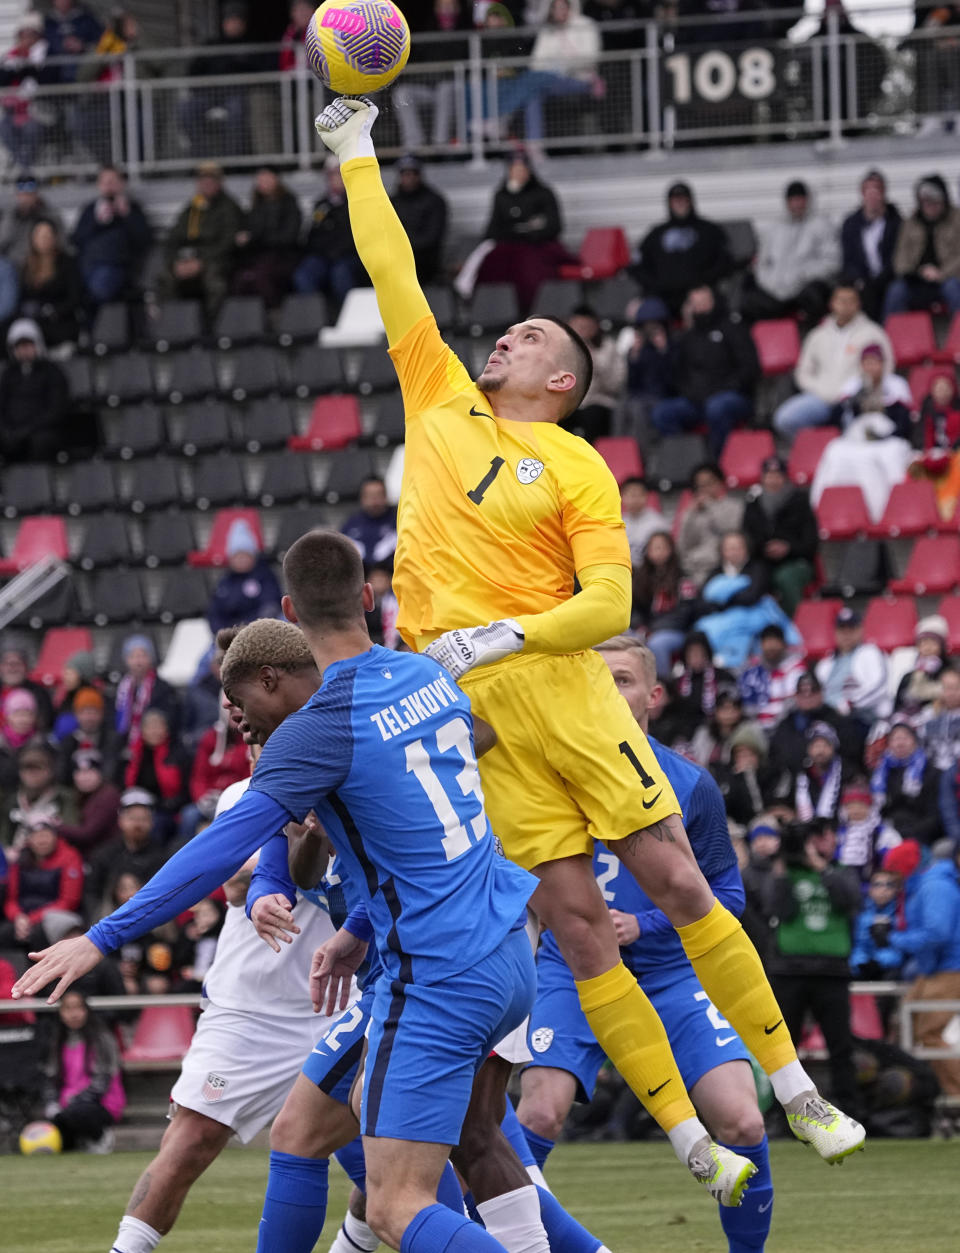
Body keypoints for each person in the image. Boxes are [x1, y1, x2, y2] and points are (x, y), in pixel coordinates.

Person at [320, 94, 864, 1179]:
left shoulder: (574, 464)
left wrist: (499, 638)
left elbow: (611, 607)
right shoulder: (436, 397)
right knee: (574, 924)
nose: (503, 336)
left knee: (674, 881)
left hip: (552, 682)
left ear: (559, 382)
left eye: (526, 339)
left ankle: (798, 1089)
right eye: (506, 331)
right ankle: (688, 1136)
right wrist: (356, 152)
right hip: (471, 712)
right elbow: (393, 270)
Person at [14, 532, 541, 1253]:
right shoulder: (425, 677)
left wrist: (100, 935)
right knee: (357, 1133)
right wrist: (357, 926)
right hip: (507, 942)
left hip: (438, 969)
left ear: (289, 616)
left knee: (396, 1204)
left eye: (241, 705)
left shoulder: (318, 727)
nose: (246, 726)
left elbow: (220, 847)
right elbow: (468, 747)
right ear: (366, 597)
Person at [517, 637, 775, 1252]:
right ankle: (503, 1240)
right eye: (597, 677)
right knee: (539, 1115)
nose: (610, 688)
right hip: (573, 973)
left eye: (625, 679)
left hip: (671, 976)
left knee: (742, 1118)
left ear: (653, 696)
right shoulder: (544, 776)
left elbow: (729, 897)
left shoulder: (689, 784)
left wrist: (648, 925)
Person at [761, 819, 862, 1120]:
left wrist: (821, 867)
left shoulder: (841, 872)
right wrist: (781, 870)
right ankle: (781, 1115)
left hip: (831, 971)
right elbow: (778, 910)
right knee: (783, 1047)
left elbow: (850, 901)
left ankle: (851, 1109)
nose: (825, 843)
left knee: (840, 1047)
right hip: (789, 969)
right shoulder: (785, 874)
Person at [772, 281, 892, 442]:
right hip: (820, 397)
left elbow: (886, 366)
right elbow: (803, 372)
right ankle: (821, 447)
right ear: (832, 304)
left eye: (850, 301)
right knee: (785, 419)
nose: (845, 305)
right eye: (841, 300)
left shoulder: (873, 332)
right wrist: (820, 390)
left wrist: (862, 389)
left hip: (856, 399)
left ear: (858, 304)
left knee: (857, 430)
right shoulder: (818, 335)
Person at [886, 840, 960, 1100]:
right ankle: (939, 1096)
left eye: (893, 872)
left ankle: (955, 1097)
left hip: (949, 969)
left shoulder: (933, 887)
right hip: (936, 969)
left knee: (928, 1034)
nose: (890, 880)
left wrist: (894, 939)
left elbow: (937, 934)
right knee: (911, 1030)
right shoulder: (929, 884)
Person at [650, 286, 758, 458]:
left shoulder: (733, 328)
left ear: (714, 301)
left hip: (732, 396)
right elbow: (677, 375)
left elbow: (750, 368)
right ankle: (686, 459)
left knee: (717, 407)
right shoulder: (688, 337)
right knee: (662, 413)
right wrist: (666, 352)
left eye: (703, 302)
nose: (699, 307)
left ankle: (718, 462)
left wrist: (726, 388)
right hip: (696, 401)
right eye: (694, 303)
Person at [470, 152, 572, 316]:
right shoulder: (501, 195)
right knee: (490, 263)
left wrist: (528, 233)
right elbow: (492, 229)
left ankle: (534, 311)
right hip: (509, 247)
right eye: (515, 169)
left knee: (531, 269)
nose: (519, 174)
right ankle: (493, 312)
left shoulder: (544, 193)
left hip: (538, 246)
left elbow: (554, 226)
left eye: (522, 169)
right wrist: (517, 231)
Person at [742, 180, 840, 324]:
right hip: (774, 292)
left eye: (800, 199)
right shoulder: (774, 229)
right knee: (747, 301)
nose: (796, 204)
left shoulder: (821, 226)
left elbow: (833, 261)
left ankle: (809, 337)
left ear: (807, 201)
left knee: (815, 295)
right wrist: (769, 283)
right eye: (792, 200)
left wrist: (803, 274)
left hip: (803, 289)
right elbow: (762, 263)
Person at [158, 162, 245, 317]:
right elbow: (173, 238)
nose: (206, 184)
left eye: (211, 180)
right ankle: (173, 323)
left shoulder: (229, 207)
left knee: (215, 282)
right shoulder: (192, 208)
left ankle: (211, 326)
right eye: (202, 180)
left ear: (219, 182)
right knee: (164, 276)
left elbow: (227, 242)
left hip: (217, 260)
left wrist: (200, 261)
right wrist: (176, 261)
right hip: (188, 259)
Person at [633, 182, 731, 317]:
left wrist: (705, 284)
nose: (679, 203)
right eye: (675, 200)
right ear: (669, 203)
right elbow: (639, 266)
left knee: (702, 307)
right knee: (640, 311)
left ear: (690, 201)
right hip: (662, 294)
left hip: (698, 291)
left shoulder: (709, 230)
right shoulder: (656, 234)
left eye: (683, 199)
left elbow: (725, 262)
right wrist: (653, 288)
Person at [43, 991, 123, 1153]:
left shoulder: (102, 1039)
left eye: (78, 1008)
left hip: (101, 1102)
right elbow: (51, 1079)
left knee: (80, 1113)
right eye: (68, 1009)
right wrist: (52, 1103)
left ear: (86, 1010)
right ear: (61, 1013)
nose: (74, 1014)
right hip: (67, 1104)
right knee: (56, 1120)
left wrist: (75, 1099)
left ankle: (100, 1136)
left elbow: (103, 1082)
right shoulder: (56, 1042)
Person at [741, 456, 818, 616]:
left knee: (785, 578)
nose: (772, 480)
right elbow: (747, 540)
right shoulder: (753, 504)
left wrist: (788, 548)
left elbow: (811, 543)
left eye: (777, 476)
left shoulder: (800, 502)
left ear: (785, 477)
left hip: (797, 561)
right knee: (752, 578)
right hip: (763, 560)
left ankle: (795, 623)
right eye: (768, 476)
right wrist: (764, 549)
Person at [71, 164, 151, 305]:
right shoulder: (91, 209)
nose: (109, 186)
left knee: (98, 286)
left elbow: (143, 241)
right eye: (105, 182)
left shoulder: (133, 209)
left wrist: (127, 216)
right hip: (88, 265)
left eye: (113, 181)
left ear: (122, 184)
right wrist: (97, 222)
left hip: (116, 266)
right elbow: (77, 239)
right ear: (98, 185)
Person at [0, 814, 83, 948]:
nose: (42, 841)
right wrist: (18, 917)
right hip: (21, 918)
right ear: (29, 839)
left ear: (55, 836)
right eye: (37, 836)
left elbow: (69, 901)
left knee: (39, 934)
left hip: (55, 918)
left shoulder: (70, 857)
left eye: (46, 835)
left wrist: (31, 919)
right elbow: (10, 899)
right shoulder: (20, 858)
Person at [884, 174, 960, 318]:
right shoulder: (910, 223)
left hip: (948, 278)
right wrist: (917, 273)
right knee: (896, 290)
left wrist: (941, 273)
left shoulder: (956, 219)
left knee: (954, 289)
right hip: (917, 279)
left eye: (934, 201)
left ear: (944, 200)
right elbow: (900, 258)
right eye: (925, 202)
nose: (929, 206)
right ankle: (889, 337)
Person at [83, 789, 165, 920]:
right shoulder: (104, 854)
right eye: (132, 818)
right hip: (108, 920)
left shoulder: (161, 856)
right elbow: (92, 893)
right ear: (120, 821)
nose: (138, 824)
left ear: (152, 823)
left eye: (143, 819)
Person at [293, 159, 363, 310]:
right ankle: (314, 315)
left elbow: (357, 235)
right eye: (331, 175)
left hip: (349, 256)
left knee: (341, 273)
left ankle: (347, 314)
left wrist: (338, 251)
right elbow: (313, 235)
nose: (335, 179)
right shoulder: (322, 205)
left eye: (338, 174)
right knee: (304, 274)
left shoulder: (357, 202)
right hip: (324, 256)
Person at [0, 316, 71, 463]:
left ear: (37, 344)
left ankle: (37, 483)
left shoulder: (52, 372)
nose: (24, 350)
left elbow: (55, 410)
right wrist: (6, 429)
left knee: (41, 442)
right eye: (19, 346)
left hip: (40, 430)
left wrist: (27, 429)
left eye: (28, 345)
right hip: (13, 430)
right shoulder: (8, 374)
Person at [768, 670, 862, 779]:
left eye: (813, 691)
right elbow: (774, 757)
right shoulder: (787, 724)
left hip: (832, 782)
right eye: (802, 693)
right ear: (796, 696)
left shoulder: (838, 721)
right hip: (794, 784)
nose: (807, 697)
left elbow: (852, 755)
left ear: (821, 693)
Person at [232, 167, 302, 308]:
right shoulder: (256, 206)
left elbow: (288, 237)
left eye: (267, 179)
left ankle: (274, 312)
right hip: (258, 255)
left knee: (262, 276)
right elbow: (248, 230)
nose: (263, 183)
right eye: (260, 179)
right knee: (240, 278)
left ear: (276, 180)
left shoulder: (289, 204)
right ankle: (246, 317)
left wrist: (254, 239)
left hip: (283, 256)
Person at [631, 531, 697, 677]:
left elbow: (684, 614)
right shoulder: (641, 578)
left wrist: (653, 630)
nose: (658, 552)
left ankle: (663, 683)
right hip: (646, 629)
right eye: (654, 548)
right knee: (624, 640)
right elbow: (634, 609)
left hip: (675, 631)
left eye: (663, 547)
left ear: (671, 550)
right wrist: (640, 627)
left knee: (657, 643)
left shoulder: (682, 578)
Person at [840, 170, 902, 322]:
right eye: (868, 191)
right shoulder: (851, 224)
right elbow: (848, 260)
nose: (872, 196)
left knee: (896, 291)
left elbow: (898, 256)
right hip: (862, 281)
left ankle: (889, 331)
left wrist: (882, 278)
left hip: (889, 279)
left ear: (883, 194)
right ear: (862, 194)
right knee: (858, 292)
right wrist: (859, 279)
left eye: (877, 191)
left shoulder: (896, 222)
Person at [870, 716, 941, 847]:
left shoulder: (930, 772)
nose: (900, 743)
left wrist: (907, 835)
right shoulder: (880, 774)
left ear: (915, 741)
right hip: (888, 835)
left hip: (920, 835)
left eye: (905, 738)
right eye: (895, 739)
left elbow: (934, 816)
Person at [206, 518, 282, 636]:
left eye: (244, 555)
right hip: (229, 637)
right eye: (237, 556)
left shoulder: (265, 577)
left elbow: (270, 606)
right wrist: (223, 633)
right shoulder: (224, 582)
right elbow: (214, 614)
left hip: (257, 635)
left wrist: (247, 630)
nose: (241, 560)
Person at [562, 305, 626, 444]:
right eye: (578, 326)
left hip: (599, 401)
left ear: (596, 326)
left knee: (593, 416)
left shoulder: (609, 348)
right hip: (570, 404)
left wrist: (594, 362)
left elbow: (615, 385)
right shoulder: (561, 350)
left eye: (586, 327)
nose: (582, 331)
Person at [816, 607, 890, 726]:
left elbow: (880, 687)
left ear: (861, 630)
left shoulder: (870, 652)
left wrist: (849, 705)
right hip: (828, 717)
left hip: (861, 716)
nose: (847, 634)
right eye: (842, 629)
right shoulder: (824, 664)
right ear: (835, 632)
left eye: (851, 629)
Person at [0, 740, 77, 853]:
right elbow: (3, 836)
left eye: (37, 769)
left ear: (50, 771)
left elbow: (72, 832)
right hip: (16, 861)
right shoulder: (12, 800)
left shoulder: (64, 797)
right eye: (27, 769)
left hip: (54, 858)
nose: (32, 774)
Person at [122, 708, 188, 840]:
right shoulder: (131, 754)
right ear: (142, 731)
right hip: (133, 803)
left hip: (166, 809)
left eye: (158, 727)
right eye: (150, 727)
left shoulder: (177, 753)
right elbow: (122, 783)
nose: (154, 731)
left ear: (166, 730)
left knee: (155, 823)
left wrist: (166, 804)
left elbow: (185, 790)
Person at [676, 462, 744, 589]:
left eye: (710, 483)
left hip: (723, 565)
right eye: (700, 486)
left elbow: (730, 532)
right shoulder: (691, 512)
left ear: (720, 482)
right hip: (695, 567)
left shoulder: (735, 507)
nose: (705, 489)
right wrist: (689, 516)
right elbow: (683, 545)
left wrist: (710, 506)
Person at [18, 218, 84, 348]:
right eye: (40, 235)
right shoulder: (27, 265)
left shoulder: (67, 262)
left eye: (47, 235)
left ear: (55, 237)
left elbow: (75, 298)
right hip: (34, 321)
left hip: (60, 319)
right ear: (33, 238)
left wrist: (53, 310)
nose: (43, 239)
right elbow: (22, 296)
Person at [0, 15, 51, 170]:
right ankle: (25, 167)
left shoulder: (44, 52)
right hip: (12, 111)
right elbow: (4, 79)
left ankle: (24, 168)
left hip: (36, 110)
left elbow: (36, 76)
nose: (27, 39)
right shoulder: (11, 56)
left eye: (31, 35)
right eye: (24, 35)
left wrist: (22, 69)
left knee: (32, 129)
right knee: (4, 129)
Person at [390, 155, 448, 285]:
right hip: (397, 256)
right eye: (405, 174)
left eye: (412, 173)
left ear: (419, 175)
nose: (408, 178)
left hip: (425, 258)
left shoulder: (434, 201)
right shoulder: (391, 202)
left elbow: (433, 236)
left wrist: (405, 248)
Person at [114, 634, 179, 748]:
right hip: (124, 743)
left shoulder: (163, 688)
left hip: (154, 745)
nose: (138, 661)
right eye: (133, 656)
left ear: (151, 659)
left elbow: (170, 720)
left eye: (143, 655)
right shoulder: (120, 688)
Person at [837, 342, 913, 440]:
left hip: (889, 434)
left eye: (874, 362)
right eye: (867, 363)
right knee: (836, 449)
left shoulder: (896, 383)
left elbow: (904, 417)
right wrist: (862, 392)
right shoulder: (853, 384)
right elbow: (842, 411)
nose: (870, 367)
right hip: (859, 432)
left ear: (882, 363)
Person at [739, 624, 807, 729]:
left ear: (783, 644)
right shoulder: (753, 670)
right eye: (766, 642)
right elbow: (748, 705)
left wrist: (776, 726)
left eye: (775, 642)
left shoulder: (795, 666)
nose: (770, 646)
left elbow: (793, 702)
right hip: (757, 729)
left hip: (786, 725)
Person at [912, 370, 960, 519]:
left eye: (946, 388)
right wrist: (928, 452)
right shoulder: (926, 411)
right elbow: (919, 437)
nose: (943, 392)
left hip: (953, 455)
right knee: (914, 467)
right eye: (938, 388)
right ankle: (919, 512)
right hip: (931, 454)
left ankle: (950, 510)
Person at [56, 748, 120, 856]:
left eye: (89, 771)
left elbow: (87, 834)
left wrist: (57, 827)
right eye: (79, 772)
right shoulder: (78, 795)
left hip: (104, 857)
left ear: (100, 773)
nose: (84, 777)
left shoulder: (108, 796)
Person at [56, 685, 119, 784]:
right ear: (76, 714)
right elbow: (61, 771)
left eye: (94, 712)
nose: (89, 717)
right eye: (84, 712)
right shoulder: (68, 741)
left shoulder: (111, 739)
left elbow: (111, 768)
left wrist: (97, 778)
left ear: (102, 714)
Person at [849, 867, 903, 979]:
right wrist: (859, 964)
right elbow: (859, 947)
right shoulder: (861, 916)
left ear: (896, 890)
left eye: (889, 885)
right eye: (878, 885)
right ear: (870, 889)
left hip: (889, 967)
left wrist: (877, 962)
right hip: (864, 966)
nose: (883, 890)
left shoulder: (901, 916)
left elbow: (900, 950)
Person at [793, 722, 849, 825]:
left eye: (825, 746)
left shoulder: (847, 774)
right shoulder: (800, 774)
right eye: (816, 746)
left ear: (833, 748)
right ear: (809, 749)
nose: (820, 751)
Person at [895, 615, 950, 717]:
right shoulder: (908, 677)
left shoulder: (949, 674)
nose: (927, 647)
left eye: (933, 643)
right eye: (923, 643)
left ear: (942, 647)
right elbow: (897, 706)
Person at [340, 476, 398, 567]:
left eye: (378, 495)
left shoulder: (397, 522)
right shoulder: (351, 524)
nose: (374, 501)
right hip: (360, 575)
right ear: (362, 498)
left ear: (386, 497)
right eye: (370, 496)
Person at [620, 477, 664, 564]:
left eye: (639, 495)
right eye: (631, 495)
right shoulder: (616, 523)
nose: (635, 500)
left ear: (646, 496)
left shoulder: (658, 523)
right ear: (622, 497)